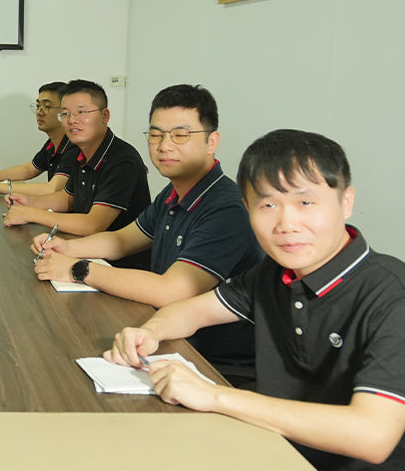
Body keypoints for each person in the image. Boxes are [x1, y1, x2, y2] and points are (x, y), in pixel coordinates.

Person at [104, 129, 405, 469]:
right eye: (268, 205)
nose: (287, 223)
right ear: (247, 208)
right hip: (273, 449)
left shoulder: (391, 294)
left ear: (346, 201)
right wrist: (149, 331)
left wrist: (214, 395)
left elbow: (373, 436)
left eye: (305, 203)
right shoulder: (273, 273)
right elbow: (195, 311)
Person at [33, 85, 262, 378]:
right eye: (156, 135)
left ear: (211, 141)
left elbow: (172, 291)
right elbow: (122, 240)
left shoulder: (226, 207)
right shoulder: (173, 192)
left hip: (214, 365)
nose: (165, 146)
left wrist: (77, 269)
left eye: (180, 135)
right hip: (165, 338)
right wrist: (65, 248)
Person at [3, 79, 150, 237]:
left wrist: (32, 214)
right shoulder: (82, 152)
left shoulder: (123, 160)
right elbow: (67, 198)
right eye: (65, 113)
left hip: (115, 252)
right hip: (83, 243)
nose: (72, 120)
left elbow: (93, 224)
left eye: (81, 112)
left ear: (105, 116)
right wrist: (30, 202)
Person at [0, 81, 75, 197]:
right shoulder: (52, 144)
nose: (39, 112)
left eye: (47, 107)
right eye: (38, 106)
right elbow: (28, 169)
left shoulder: (75, 145)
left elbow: (52, 189)